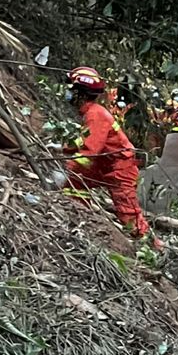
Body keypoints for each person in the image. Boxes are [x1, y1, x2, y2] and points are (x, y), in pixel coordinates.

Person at [63, 67, 151, 238]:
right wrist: (63, 148)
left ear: (81, 93)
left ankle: (149, 246)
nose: (68, 93)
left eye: (72, 89)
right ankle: (78, 215)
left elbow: (89, 152)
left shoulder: (96, 114)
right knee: (75, 184)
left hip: (120, 167)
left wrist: (68, 168)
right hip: (106, 164)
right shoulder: (91, 113)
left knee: (128, 213)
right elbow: (86, 141)